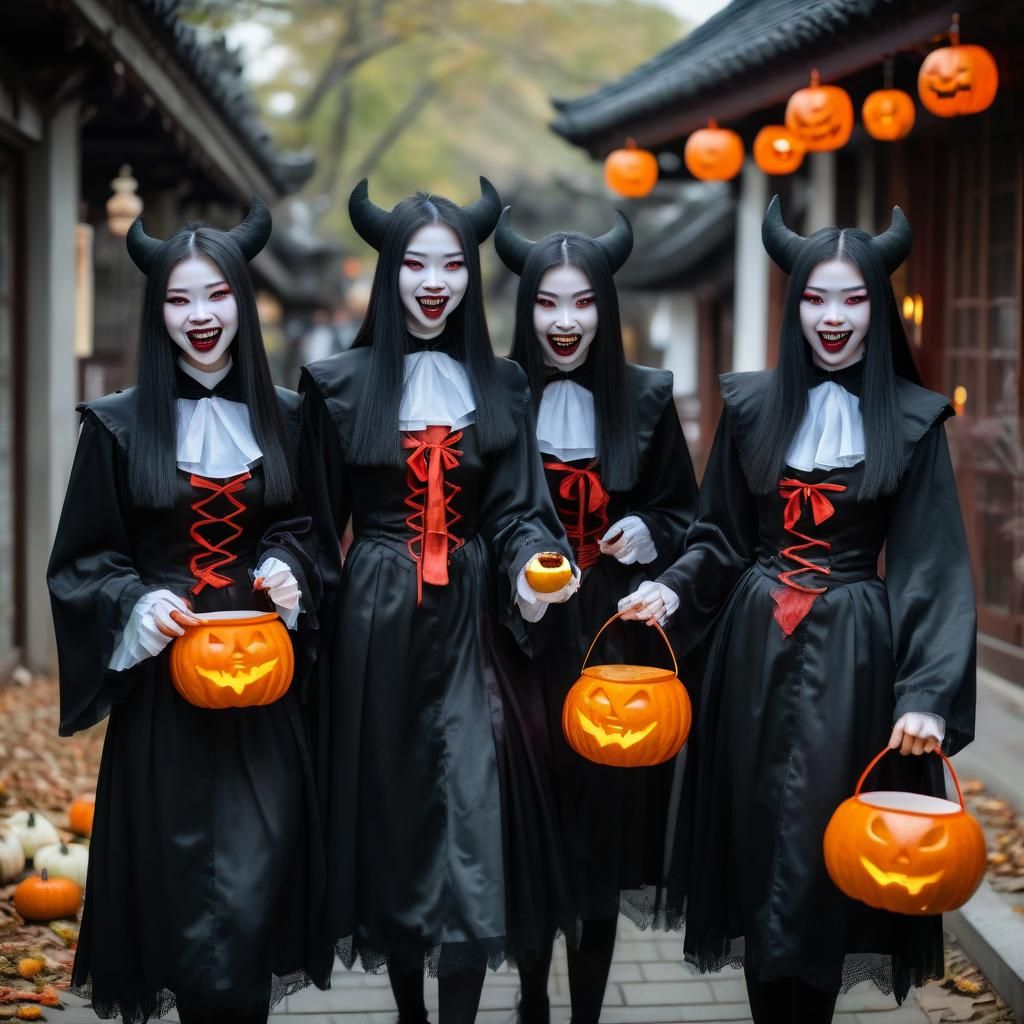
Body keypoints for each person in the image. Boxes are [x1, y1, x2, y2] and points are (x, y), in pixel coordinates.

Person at [621, 197, 976, 1022]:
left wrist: (924, 691)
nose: (834, 316)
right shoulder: (750, 409)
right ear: (795, 306)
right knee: (753, 842)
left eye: (853, 298)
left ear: (877, 306)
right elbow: (717, 537)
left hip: (853, 653)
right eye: (817, 298)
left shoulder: (914, 422)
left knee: (823, 850)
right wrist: (672, 587)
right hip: (750, 650)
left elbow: (931, 566)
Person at [300, 179, 577, 1024]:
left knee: (469, 806)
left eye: (452, 264)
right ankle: (409, 1010)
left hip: (472, 623)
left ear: (469, 276)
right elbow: (311, 527)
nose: (433, 280)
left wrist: (534, 563)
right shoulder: (336, 386)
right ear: (388, 272)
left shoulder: (502, 386)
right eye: (415, 262)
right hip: (375, 622)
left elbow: (524, 509)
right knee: (392, 814)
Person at [46, 199, 330, 1024]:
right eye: (178, 299)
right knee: (176, 889)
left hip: (265, 692)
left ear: (245, 301)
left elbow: (308, 527)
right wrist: (137, 602)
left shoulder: (291, 416)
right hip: (164, 697)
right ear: (156, 309)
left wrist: (289, 567)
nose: (200, 317)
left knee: (255, 885)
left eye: (217, 296)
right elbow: (81, 562)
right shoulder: (116, 427)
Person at [495, 207, 698, 1024]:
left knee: (604, 836)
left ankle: (585, 1012)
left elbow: (689, 513)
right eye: (547, 303)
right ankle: (533, 998)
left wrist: (650, 528)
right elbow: (482, 514)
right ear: (525, 309)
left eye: (582, 303)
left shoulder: (647, 397)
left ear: (606, 308)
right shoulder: (498, 395)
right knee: (528, 822)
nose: (565, 321)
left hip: (616, 643)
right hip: (522, 637)